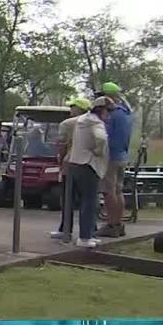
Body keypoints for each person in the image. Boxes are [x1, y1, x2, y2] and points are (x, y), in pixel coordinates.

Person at [66, 97, 111, 248]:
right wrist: (98, 151)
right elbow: (101, 138)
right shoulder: (96, 123)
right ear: (102, 110)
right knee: (89, 201)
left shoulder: (82, 119)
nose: (109, 115)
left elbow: (64, 125)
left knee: (83, 200)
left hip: (75, 162)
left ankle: (89, 234)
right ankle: (85, 236)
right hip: (89, 164)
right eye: (108, 111)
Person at [50, 97, 92, 240]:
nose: (70, 110)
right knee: (87, 198)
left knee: (67, 197)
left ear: (78, 109)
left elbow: (62, 145)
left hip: (71, 162)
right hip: (89, 163)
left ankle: (66, 228)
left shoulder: (67, 124)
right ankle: (90, 229)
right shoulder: (95, 123)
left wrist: (60, 160)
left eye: (72, 107)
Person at [97, 82, 134, 238]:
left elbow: (105, 136)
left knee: (108, 192)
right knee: (118, 191)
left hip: (111, 156)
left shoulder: (112, 114)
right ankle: (118, 224)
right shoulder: (126, 112)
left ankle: (111, 224)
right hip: (122, 155)